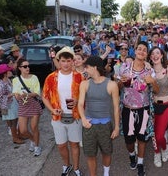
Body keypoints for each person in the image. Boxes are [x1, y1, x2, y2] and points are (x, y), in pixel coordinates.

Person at [118, 41, 159, 176]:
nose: (141, 51)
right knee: (129, 140)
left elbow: (157, 91)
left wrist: (152, 81)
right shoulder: (124, 67)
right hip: (128, 109)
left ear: (146, 54)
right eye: (139, 49)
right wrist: (121, 82)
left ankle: (140, 162)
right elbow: (118, 88)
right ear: (135, 51)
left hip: (144, 109)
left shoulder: (150, 71)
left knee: (142, 138)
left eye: (144, 50)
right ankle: (132, 155)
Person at [42, 47, 83, 176]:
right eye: (63, 61)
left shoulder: (79, 77)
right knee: (61, 145)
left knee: (74, 144)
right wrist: (52, 110)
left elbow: (85, 93)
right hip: (57, 117)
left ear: (73, 62)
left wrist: (77, 100)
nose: (66, 64)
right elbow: (44, 96)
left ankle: (76, 168)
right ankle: (66, 165)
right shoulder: (51, 77)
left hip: (75, 116)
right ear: (59, 62)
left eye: (69, 61)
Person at [78, 56, 120, 176]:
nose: (85, 69)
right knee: (90, 154)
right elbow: (80, 104)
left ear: (95, 67)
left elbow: (116, 108)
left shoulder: (112, 84)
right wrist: (83, 119)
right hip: (89, 125)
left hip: (105, 125)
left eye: (87, 67)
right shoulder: (84, 84)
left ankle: (106, 173)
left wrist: (117, 127)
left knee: (106, 152)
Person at [12, 58, 43, 156]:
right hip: (23, 105)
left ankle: (37, 146)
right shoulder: (16, 80)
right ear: (19, 68)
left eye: (28, 66)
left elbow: (37, 93)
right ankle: (33, 140)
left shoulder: (34, 77)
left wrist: (27, 95)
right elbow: (16, 93)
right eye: (25, 66)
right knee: (23, 130)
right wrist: (17, 96)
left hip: (33, 103)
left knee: (34, 127)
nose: (27, 68)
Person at [0, 64, 24, 144]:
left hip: (11, 104)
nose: (10, 71)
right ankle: (15, 138)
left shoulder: (7, 80)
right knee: (13, 121)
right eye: (8, 71)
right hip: (8, 105)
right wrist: (12, 94)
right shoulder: (1, 84)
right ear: (5, 73)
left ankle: (18, 135)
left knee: (16, 120)